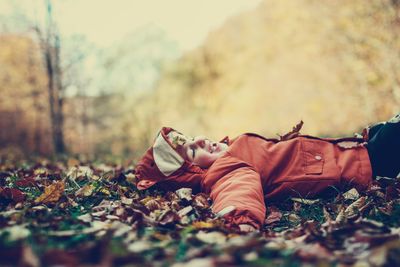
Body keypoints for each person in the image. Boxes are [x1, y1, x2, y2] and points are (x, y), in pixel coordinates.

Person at [134, 113, 400, 232]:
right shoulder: (224, 170)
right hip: (363, 165)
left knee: (385, 129)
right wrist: (241, 219)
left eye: (193, 138)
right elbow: (238, 191)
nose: (202, 139)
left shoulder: (230, 152)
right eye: (193, 151)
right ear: (192, 172)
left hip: (354, 150)